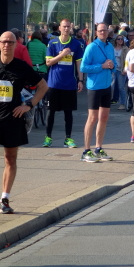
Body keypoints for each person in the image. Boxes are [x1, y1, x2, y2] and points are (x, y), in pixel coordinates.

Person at [0, 31, 48, 214]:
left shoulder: (22, 67)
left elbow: (43, 87)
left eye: (10, 42)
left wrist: (28, 105)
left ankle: (4, 200)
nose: (6, 45)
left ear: (15, 45)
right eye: (4, 42)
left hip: (13, 121)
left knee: (10, 160)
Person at [43, 19, 85, 149]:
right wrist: (62, 54)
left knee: (68, 112)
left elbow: (78, 64)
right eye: (64, 26)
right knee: (51, 111)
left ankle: (68, 138)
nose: (66, 29)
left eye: (68, 27)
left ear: (71, 28)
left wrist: (80, 80)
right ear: (60, 28)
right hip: (54, 83)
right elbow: (48, 63)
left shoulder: (76, 44)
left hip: (69, 84)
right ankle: (48, 137)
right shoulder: (53, 43)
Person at [80, 23, 116, 162]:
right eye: (100, 31)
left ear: (108, 32)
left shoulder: (110, 46)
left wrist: (112, 66)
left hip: (107, 86)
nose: (103, 32)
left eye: (105, 30)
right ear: (96, 32)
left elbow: (114, 65)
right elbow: (83, 67)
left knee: (104, 117)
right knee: (92, 118)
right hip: (94, 87)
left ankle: (98, 148)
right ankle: (86, 151)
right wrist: (101, 66)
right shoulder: (91, 47)